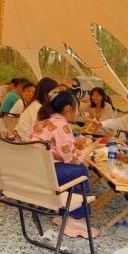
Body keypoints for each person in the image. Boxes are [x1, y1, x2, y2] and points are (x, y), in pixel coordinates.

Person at [30, 91, 98, 238]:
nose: (78, 112)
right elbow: (72, 159)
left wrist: (74, 145)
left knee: (77, 168)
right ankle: (76, 217)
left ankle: (68, 209)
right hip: (47, 173)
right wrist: (92, 147)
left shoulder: (45, 121)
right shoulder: (61, 125)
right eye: (77, 108)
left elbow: (56, 147)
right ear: (68, 108)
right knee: (80, 170)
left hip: (35, 170)